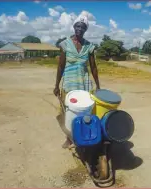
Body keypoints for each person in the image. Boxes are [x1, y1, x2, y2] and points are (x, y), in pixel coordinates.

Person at [53, 15, 101, 149]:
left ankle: (84, 135)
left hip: (84, 84)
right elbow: (61, 66)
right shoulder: (65, 44)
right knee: (68, 110)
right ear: (74, 27)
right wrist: (56, 85)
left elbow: (93, 67)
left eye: (83, 27)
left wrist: (98, 85)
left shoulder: (89, 46)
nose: (80, 29)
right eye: (77, 26)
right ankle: (69, 138)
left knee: (84, 111)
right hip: (69, 83)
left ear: (86, 29)